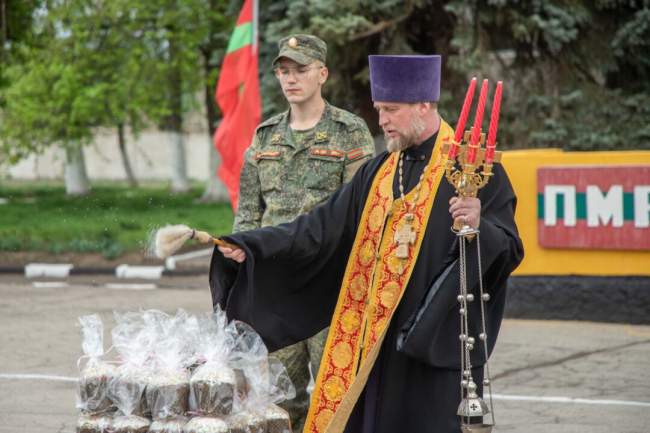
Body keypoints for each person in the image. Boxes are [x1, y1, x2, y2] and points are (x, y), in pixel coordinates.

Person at [211, 55, 524, 433]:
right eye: (378, 110)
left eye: (391, 110)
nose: (382, 121)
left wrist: (478, 226)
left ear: (423, 105)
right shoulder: (378, 172)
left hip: (432, 344)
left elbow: (509, 249)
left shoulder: (472, 168)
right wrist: (250, 245)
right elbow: (316, 228)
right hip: (373, 343)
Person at [231, 34, 375, 431]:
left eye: (301, 70)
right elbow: (248, 215)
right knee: (279, 398)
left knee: (337, 393)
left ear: (322, 74)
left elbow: (362, 211)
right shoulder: (265, 137)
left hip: (329, 284)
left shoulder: (349, 132)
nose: (291, 79)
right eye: (284, 71)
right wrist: (240, 259)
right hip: (276, 287)